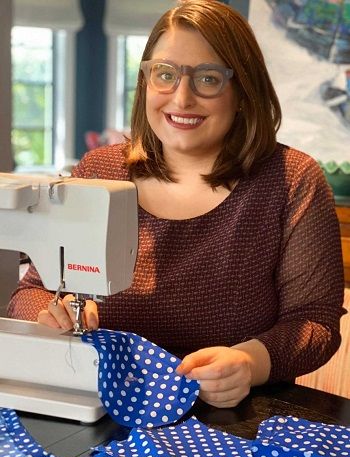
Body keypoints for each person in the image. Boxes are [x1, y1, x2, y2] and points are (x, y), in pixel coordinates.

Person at [8, 0, 346, 409]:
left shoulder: (292, 180)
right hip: (104, 408)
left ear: (242, 91)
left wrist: (251, 361)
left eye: (207, 78)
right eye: (165, 75)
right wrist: (50, 313)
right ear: (146, 81)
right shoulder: (99, 170)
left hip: (236, 420)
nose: (181, 98)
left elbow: (315, 322)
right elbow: (31, 291)